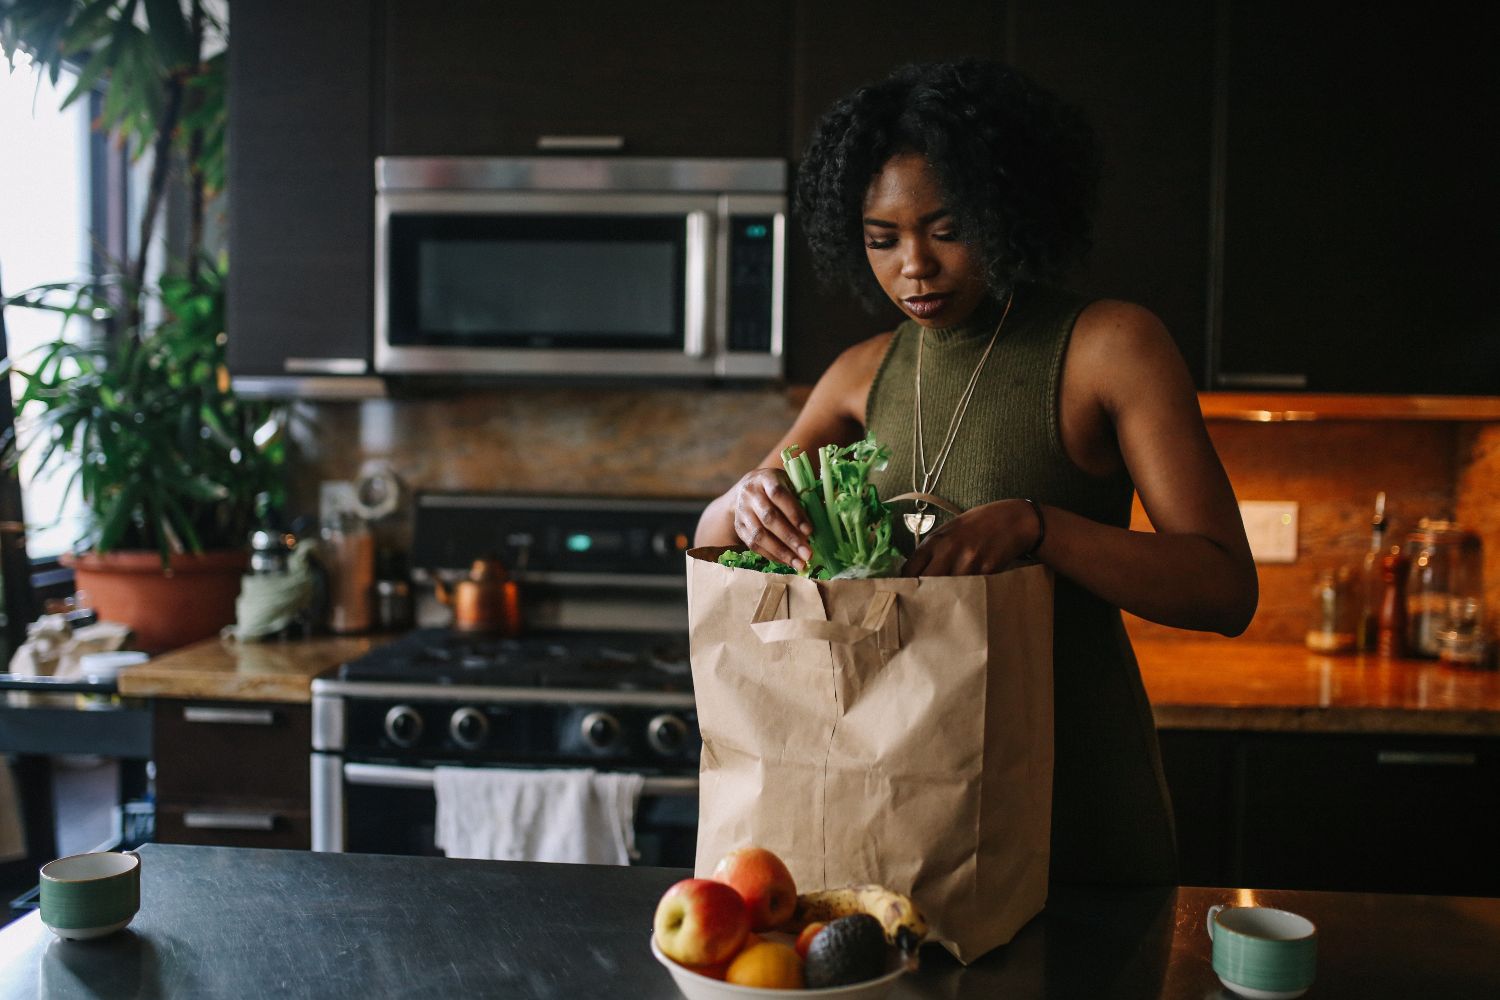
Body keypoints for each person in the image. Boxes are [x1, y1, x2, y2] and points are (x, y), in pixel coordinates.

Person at [694, 59, 1259, 886]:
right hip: (896, 807)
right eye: (881, 239)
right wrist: (747, 499)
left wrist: (1040, 527)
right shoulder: (862, 374)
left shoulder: (1110, 346)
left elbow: (1223, 591)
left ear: (1006, 212)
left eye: (947, 229)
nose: (913, 266)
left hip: (1075, 796)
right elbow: (711, 542)